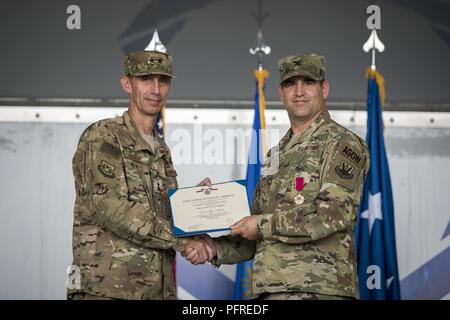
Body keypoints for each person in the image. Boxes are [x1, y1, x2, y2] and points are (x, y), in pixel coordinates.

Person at [190, 53, 370, 300]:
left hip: (318, 290)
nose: (299, 91)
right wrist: (212, 248)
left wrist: (261, 225)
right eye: (290, 84)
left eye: (308, 82)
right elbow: (252, 231)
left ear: (324, 88)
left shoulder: (342, 144)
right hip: (270, 291)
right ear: (281, 92)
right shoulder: (276, 154)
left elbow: (334, 213)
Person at [67, 49, 212, 300]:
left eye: (163, 81)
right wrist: (181, 242)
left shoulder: (160, 148)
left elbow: (158, 212)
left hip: (156, 291)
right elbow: (111, 208)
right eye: (146, 79)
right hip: (107, 291)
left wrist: (192, 202)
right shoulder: (104, 137)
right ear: (127, 84)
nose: (155, 89)